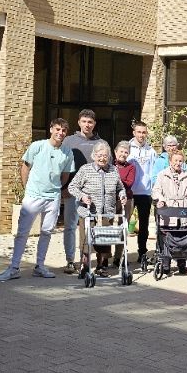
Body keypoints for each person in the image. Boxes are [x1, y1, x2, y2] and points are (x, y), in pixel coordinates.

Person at [0, 119, 75, 281]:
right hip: (33, 195)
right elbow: (25, 167)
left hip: (52, 198)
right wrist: (27, 189)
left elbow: (66, 174)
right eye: (58, 129)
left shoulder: (67, 152)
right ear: (51, 129)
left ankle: (40, 266)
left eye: (64, 130)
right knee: (22, 232)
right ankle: (14, 267)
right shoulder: (37, 146)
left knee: (46, 232)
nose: (61, 133)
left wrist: (58, 188)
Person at [66, 140, 126, 276]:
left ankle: (100, 267)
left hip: (106, 212)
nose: (102, 158)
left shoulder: (113, 170)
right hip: (88, 212)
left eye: (105, 155)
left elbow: (120, 188)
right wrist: (82, 196)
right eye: (99, 155)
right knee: (87, 241)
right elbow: (72, 186)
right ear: (94, 156)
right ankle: (86, 267)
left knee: (103, 241)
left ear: (109, 157)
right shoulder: (85, 169)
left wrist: (122, 195)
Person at [61, 109, 102, 274]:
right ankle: (70, 261)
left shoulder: (100, 143)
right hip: (71, 192)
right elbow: (61, 166)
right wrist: (63, 187)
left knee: (88, 227)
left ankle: (84, 260)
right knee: (70, 226)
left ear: (94, 124)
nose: (87, 124)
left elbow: (105, 167)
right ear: (79, 122)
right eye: (84, 121)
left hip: (91, 195)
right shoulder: (68, 141)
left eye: (90, 122)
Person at [127, 121, 158, 265]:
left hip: (145, 192)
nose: (141, 135)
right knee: (124, 224)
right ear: (134, 133)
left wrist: (153, 188)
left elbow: (154, 171)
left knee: (144, 225)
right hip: (129, 192)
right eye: (139, 132)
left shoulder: (151, 151)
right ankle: (121, 255)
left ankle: (142, 253)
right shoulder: (127, 148)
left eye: (144, 132)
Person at [111, 141, 139, 269]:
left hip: (126, 199)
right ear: (115, 152)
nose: (123, 154)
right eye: (121, 151)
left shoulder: (131, 167)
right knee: (107, 227)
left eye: (126, 152)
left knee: (123, 228)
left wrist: (114, 181)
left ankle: (119, 257)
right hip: (109, 199)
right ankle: (105, 257)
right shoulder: (109, 165)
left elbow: (129, 183)